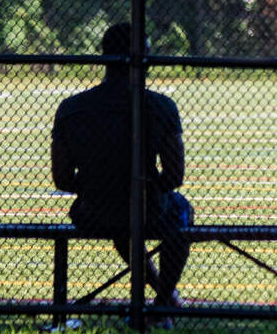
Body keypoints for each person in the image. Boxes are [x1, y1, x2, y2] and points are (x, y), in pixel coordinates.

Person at [51, 22, 192, 318]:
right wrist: (142, 187)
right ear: (142, 56)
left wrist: (98, 185)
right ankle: (163, 301)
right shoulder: (160, 106)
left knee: (122, 222)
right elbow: (175, 174)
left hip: (93, 211)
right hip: (147, 209)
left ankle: (165, 299)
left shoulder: (71, 108)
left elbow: (62, 178)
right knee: (181, 212)